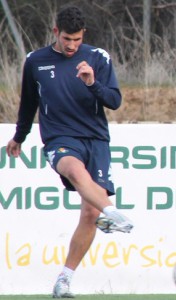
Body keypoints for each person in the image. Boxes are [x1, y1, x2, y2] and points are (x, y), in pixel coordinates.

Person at [6, 4, 133, 299]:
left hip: (96, 139)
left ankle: (64, 280)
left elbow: (114, 100)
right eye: (66, 39)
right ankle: (113, 212)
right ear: (55, 32)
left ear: (83, 35)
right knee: (75, 171)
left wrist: (93, 83)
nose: (72, 45)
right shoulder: (36, 61)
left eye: (77, 39)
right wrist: (19, 136)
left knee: (90, 212)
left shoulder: (97, 58)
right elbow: (28, 104)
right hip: (59, 138)